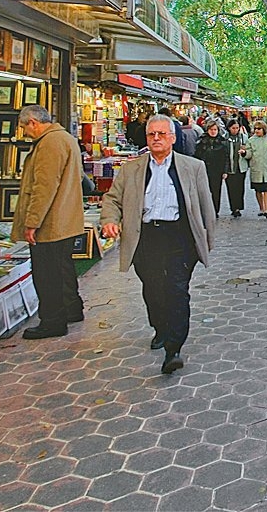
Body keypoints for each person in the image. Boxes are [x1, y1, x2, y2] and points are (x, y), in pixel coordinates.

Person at [99, 114, 215, 375]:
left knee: (177, 291)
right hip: (146, 238)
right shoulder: (131, 169)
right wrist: (110, 220)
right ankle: (160, 328)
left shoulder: (193, 167)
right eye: (152, 134)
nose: (156, 138)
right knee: (153, 289)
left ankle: (173, 348)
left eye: (162, 134)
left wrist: (207, 240)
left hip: (179, 238)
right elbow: (112, 199)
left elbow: (206, 205)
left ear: (173, 138)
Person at [11, 105, 85, 339]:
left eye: (24, 127)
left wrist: (32, 222)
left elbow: (43, 187)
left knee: (47, 273)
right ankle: (71, 309)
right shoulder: (64, 138)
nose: (24, 132)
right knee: (63, 268)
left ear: (33, 122)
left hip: (51, 222)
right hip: (65, 220)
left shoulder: (49, 143)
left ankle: (52, 321)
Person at [194, 120, 229, 216]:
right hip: (204, 170)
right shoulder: (202, 141)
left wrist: (225, 171)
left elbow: (226, 157)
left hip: (217, 170)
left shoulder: (222, 142)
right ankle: (205, 210)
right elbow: (197, 156)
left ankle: (215, 210)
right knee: (204, 191)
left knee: (216, 191)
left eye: (215, 129)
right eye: (211, 129)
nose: (213, 131)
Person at [245, 121, 267, 218]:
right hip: (256, 168)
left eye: (259, 129)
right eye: (255, 129)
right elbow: (249, 154)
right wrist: (244, 153)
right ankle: (261, 208)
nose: (257, 131)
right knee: (258, 190)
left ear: (264, 129)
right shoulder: (251, 140)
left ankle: (266, 209)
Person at [224, 120, 249, 217]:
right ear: (229, 128)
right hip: (230, 167)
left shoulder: (243, 137)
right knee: (231, 188)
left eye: (237, 128)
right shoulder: (225, 138)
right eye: (233, 128)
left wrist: (244, 152)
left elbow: (249, 151)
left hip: (240, 167)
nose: (235, 130)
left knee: (240, 188)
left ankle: (238, 207)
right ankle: (233, 207)